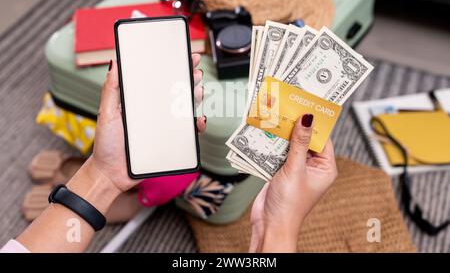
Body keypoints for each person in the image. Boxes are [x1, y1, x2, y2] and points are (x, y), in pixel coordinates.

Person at [1, 54, 337, 253]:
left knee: (165, 170)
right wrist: (282, 225)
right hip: (148, 163)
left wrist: (98, 177)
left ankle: (129, 198)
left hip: (169, 172)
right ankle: (116, 186)